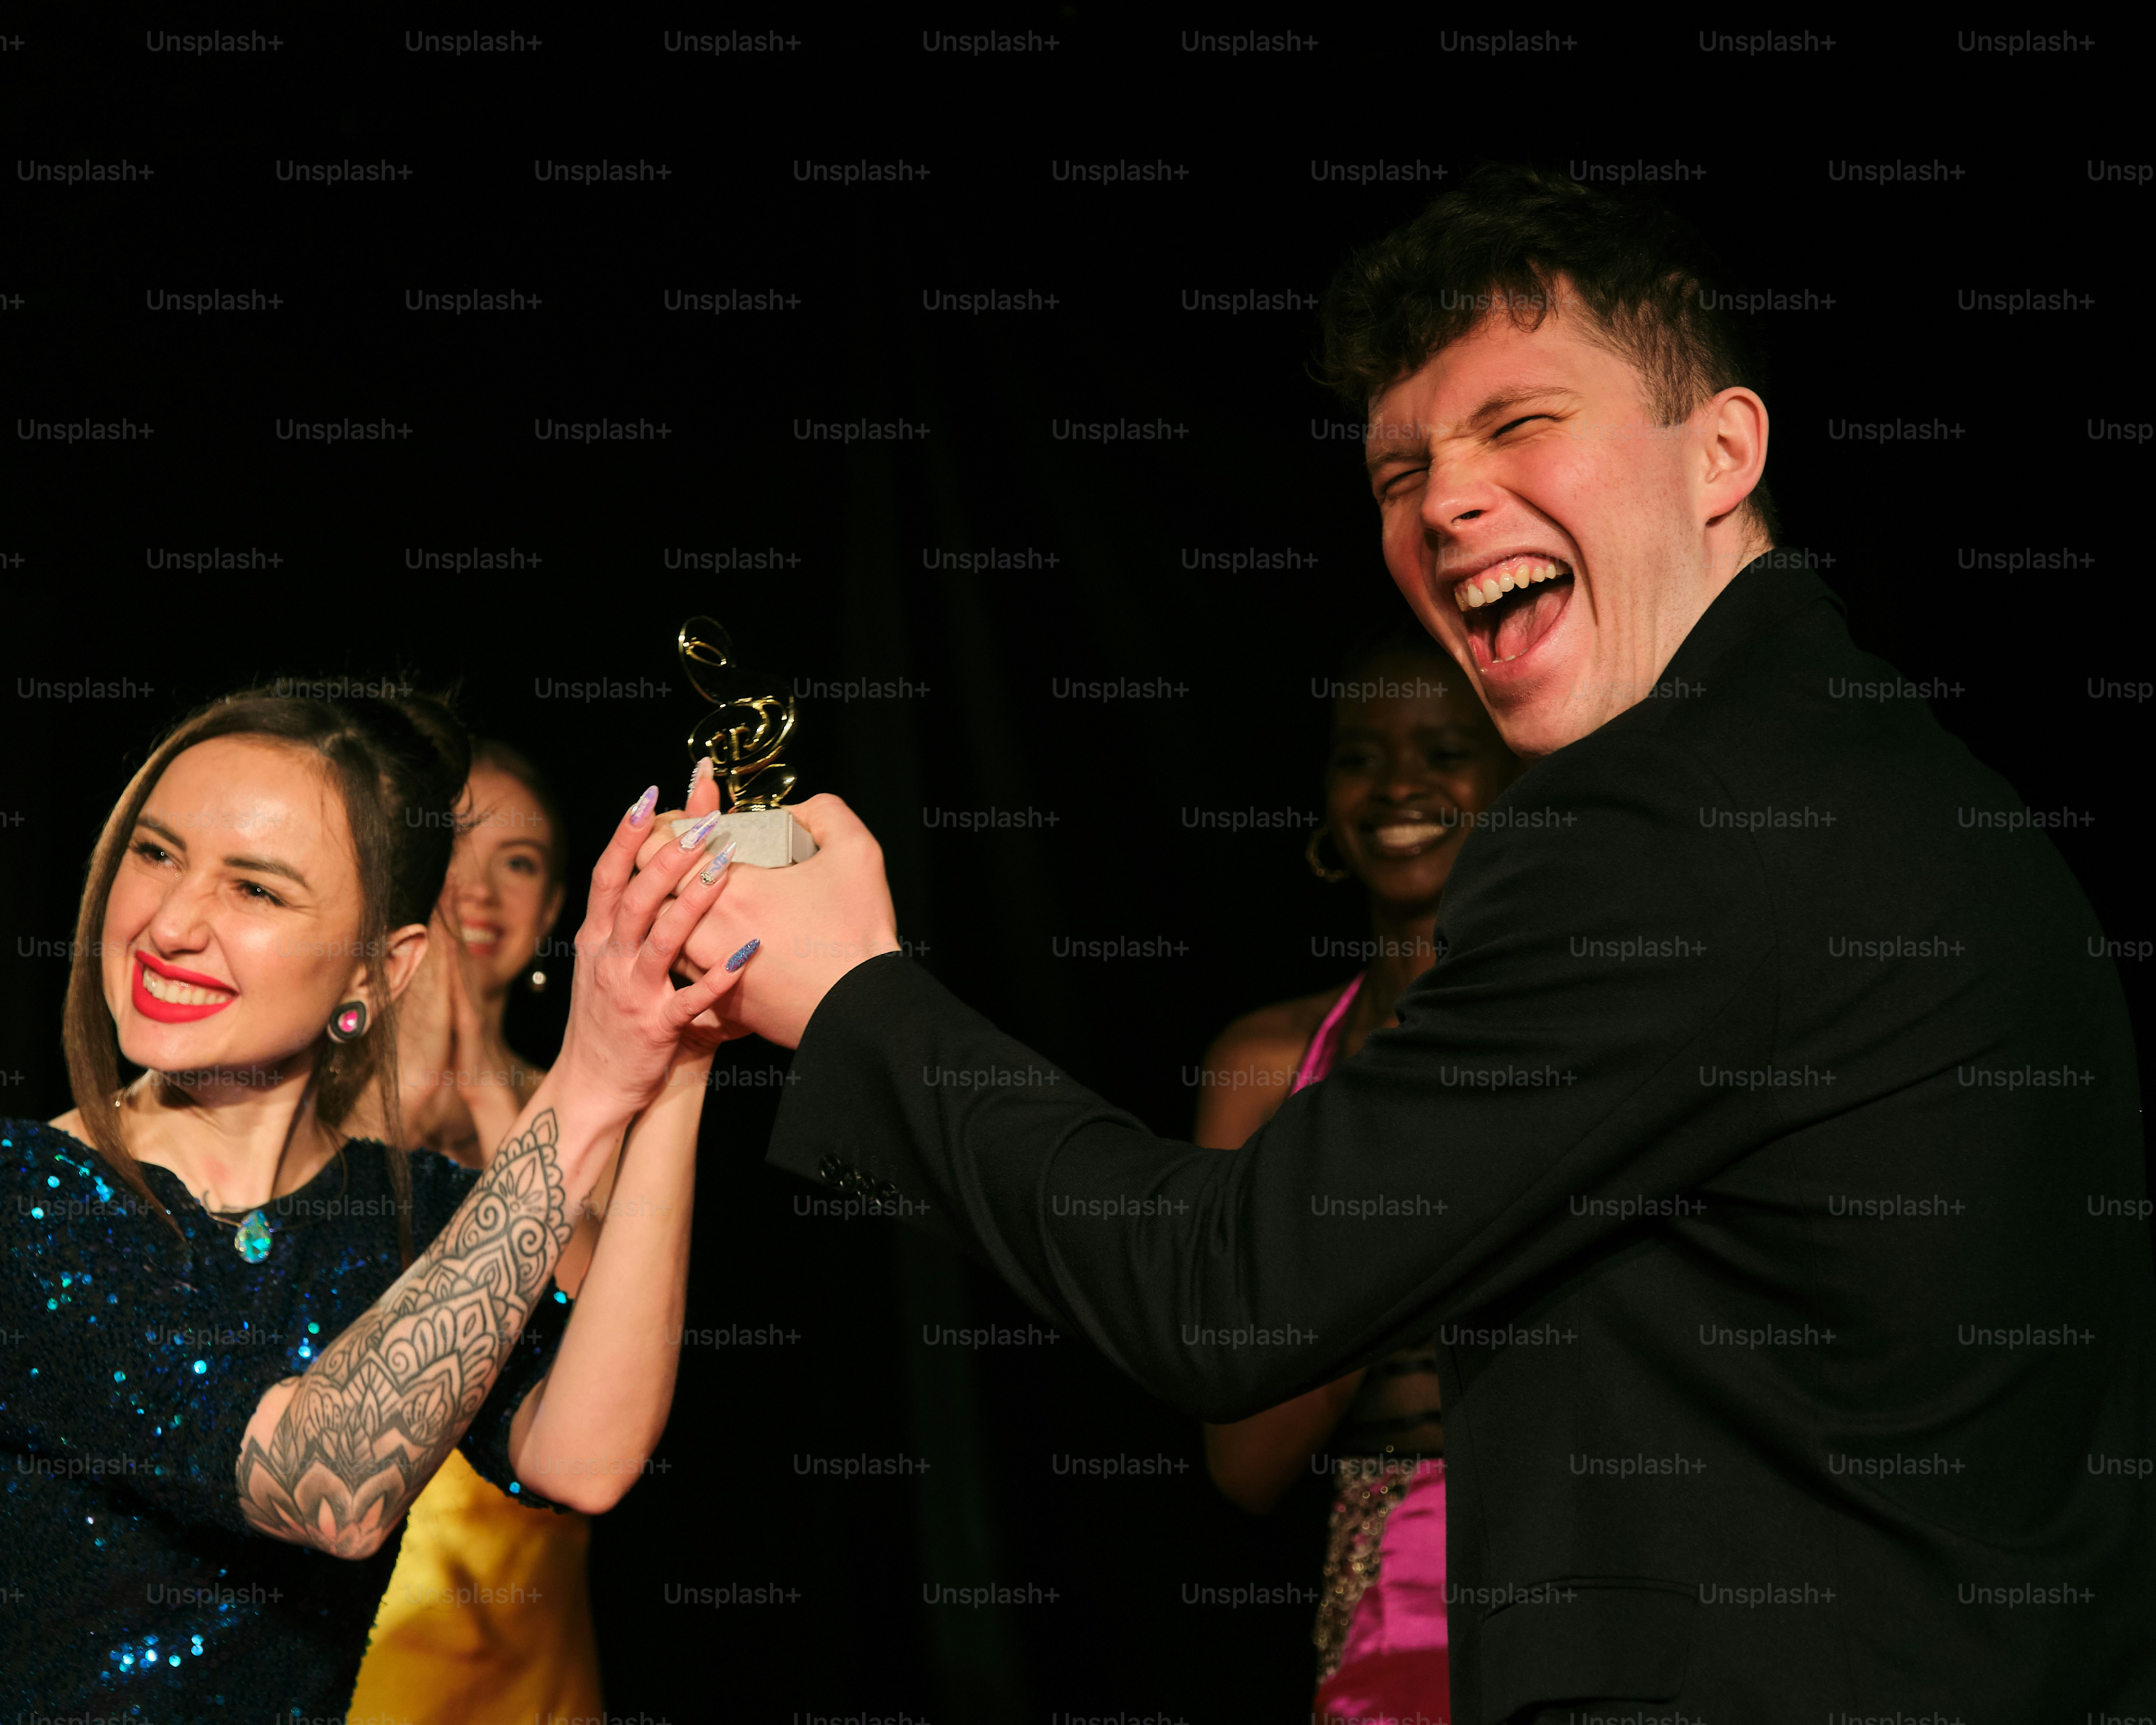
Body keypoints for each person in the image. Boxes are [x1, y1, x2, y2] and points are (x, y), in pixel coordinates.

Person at [651, 166, 2155, 1720]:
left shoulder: (1687, 818)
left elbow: (1221, 1291)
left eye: (1520, 424)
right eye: (1395, 469)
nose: (1442, 501)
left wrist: (850, 995)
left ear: (1724, 451)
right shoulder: (1878, 772)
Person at [0, 690, 759, 1719]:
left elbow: (586, 1456)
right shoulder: (1, 1196)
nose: (170, 922)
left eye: (254, 887)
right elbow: (328, 1480)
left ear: (381, 971)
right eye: (156, 853)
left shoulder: (414, 1213)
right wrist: (588, 1081)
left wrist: (680, 1057)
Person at [347, 746, 726, 1723]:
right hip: (364, 1607)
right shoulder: (316, 1098)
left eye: (518, 861)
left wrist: (486, 1092)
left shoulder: (601, 1103)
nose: (478, 884)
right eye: (455, 844)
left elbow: (600, 1325)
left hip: (534, 1608)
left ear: (558, 906)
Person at [1196, 630, 1520, 1722]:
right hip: (1388, 1617)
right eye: (1360, 756)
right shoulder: (1265, 1065)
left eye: (1445, 748)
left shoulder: (1595, 1034)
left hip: (1591, 1576)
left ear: (1516, 780)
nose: (1399, 786)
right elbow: (1242, 1461)